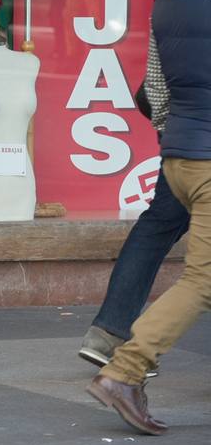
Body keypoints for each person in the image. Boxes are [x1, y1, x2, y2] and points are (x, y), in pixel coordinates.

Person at [88, 0, 211, 436]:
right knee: (202, 280)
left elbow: (155, 84)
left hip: (182, 154)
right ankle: (125, 370)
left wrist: (175, 132)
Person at [78, 25, 184, 374]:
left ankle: (108, 333)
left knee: (156, 226)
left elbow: (153, 87)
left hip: (184, 135)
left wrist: (168, 128)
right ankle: (133, 346)